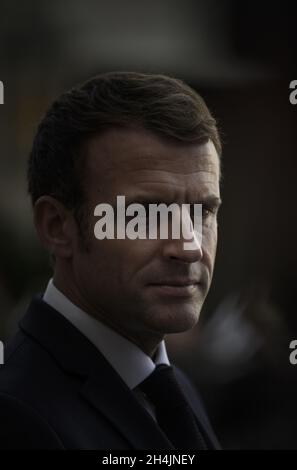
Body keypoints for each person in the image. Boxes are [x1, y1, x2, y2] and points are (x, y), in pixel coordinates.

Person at [0, 72, 222, 449]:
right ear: (57, 227)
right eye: (147, 213)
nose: (189, 247)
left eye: (203, 211)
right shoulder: (15, 414)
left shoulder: (175, 389)